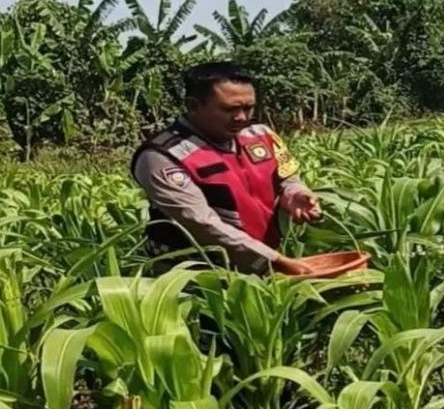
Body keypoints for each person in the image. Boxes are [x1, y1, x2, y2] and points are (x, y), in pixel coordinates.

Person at [131, 61, 320, 276]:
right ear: (193, 106)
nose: (242, 117)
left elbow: (287, 177)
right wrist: (274, 260)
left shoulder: (261, 135)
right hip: (196, 274)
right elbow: (200, 223)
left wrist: (294, 194)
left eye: (248, 108)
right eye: (229, 109)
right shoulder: (162, 156)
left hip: (265, 262)